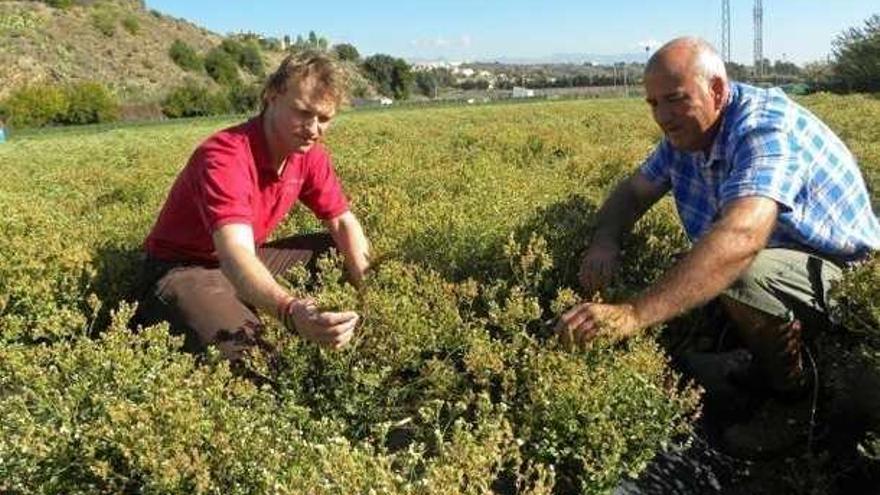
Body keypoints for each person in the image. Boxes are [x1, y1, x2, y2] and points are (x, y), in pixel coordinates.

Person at [556, 37, 880, 455]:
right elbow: (632, 194)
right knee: (691, 271)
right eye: (653, 104)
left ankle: (794, 402)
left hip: (850, 279)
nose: (664, 117)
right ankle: (747, 358)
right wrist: (604, 240)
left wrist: (633, 315)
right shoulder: (686, 136)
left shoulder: (765, 128)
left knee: (736, 270)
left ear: (717, 91)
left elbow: (741, 240)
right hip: (782, 271)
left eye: (674, 99)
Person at [131, 51, 370, 365]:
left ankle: (269, 309)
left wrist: (370, 295)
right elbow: (235, 254)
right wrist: (291, 311)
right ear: (272, 96)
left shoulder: (308, 154)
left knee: (338, 250)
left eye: (324, 119)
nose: (313, 129)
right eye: (302, 112)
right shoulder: (225, 156)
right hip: (183, 270)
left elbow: (342, 223)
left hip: (242, 260)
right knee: (256, 358)